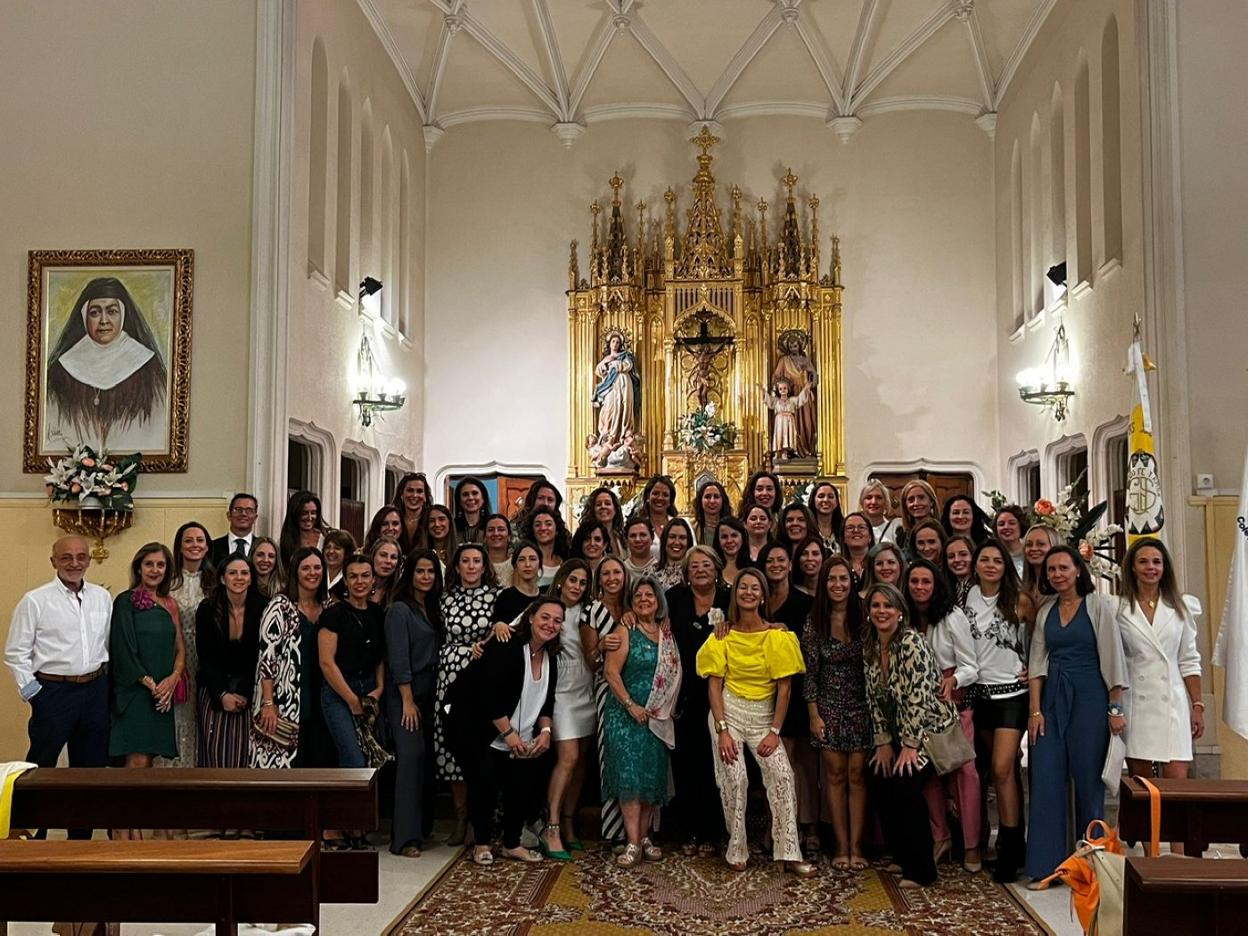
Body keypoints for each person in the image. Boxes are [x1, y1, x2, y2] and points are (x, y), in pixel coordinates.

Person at [697, 568, 814, 876]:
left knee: (783, 776)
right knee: (736, 779)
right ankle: (736, 847)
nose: (748, 592)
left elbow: (785, 689)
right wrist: (722, 730)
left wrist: (775, 732)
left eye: (754, 588)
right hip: (729, 713)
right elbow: (713, 686)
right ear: (736, 595)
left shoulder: (778, 636)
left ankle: (789, 852)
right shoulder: (723, 634)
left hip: (765, 718)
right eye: (742, 588)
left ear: (763, 595)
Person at [1025, 545, 1129, 884]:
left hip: (1090, 699)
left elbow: (1113, 658)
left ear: (1078, 571)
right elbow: (1037, 663)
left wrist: (1114, 708)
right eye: (1051, 570)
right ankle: (1048, 866)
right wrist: (1036, 710)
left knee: (1088, 782)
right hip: (1052, 700)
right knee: (1046, 779)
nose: (1057, 574)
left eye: (1063, 568)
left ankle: (1092, 867)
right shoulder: (1046, 611)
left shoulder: (1098, 606)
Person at [4, 535, 112, 839]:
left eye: (80, 557)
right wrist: (35, 695)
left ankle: (80, 839)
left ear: (89, 561)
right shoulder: (35, 600)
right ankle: (32, 836)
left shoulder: (101, 598)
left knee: (88, 772)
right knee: (41, 767)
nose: (74, 563)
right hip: (53, 692)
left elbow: (105, 645)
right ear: (53, 561)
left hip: (94, 691)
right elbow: (15, 653)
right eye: (66, 557)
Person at [447, 597, 562, 866]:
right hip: (481, 728)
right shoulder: (507, 645)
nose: (550, 624)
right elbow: (488, 696)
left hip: (521, 733)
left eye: (557, 620)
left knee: (519, 786)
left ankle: (512, 844)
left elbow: (547, 701)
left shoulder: (551, 657)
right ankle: (482, 844)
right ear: (531, 617)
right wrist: (509, 735)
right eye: (545, 617)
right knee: (484, 783)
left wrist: (545, 731)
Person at [863, 582, 957, 889]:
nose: (881, 611)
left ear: (900, 613)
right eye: (876, 606)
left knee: (905, 783)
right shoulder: (872, 645)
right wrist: (883, 743)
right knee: (878, 775)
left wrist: (909, 746)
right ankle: (902, 855)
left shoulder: (912, 643)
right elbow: (873, 698)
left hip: (927, 732)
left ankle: (922, 870)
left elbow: (919, 698)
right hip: (896, 734)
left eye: (888, 606)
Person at [1118, 537, 1204, 844]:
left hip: (1173, 704)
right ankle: (1149, 854)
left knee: (1176, 786)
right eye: (1143, 561)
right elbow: (1115, 661)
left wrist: (1197, 705)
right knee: (1144, 788)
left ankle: (1179, 853)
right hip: (1137, 704)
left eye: (1156, 562)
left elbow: (1189, 659)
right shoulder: (1119, 609)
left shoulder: (1181, 607)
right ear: (1132, 567)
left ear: (1164, 567)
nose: (1150, 568)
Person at [905, 559, 981, 872]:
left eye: (926, 582)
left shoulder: (952, 616)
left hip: (952, 704)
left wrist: (954, 680)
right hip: (918, 707)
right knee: (928, 775)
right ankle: (940, 837)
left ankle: (972, 845)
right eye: (914, 582)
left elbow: (971, 667)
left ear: (936, 585)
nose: (920, 587)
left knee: (964, 772)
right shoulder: (904, 616)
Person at [602, 575, 683, 866]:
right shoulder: (625, 629)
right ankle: (632, 842)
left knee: (650, 778)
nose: (644, 600)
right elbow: (611, 673)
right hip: (626, 715)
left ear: (658, 600)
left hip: (656, 717)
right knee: (630, 780)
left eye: (649, 595)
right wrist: (631, 705)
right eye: (638, 597)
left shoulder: (665, 633)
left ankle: (646, 834)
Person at [967, 539, 1035, 882]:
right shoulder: (966, 599)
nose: (991, 565)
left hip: (1013, 693)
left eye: (997, 560)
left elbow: (1039, 641)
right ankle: (1003, 841)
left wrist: (1031, 666)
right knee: (992, 773)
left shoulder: (1020, 601)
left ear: (1006, 565)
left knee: (1003, 767)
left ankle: (1011, 848)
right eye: (985, 559)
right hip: (979, 695)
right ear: (976, 564)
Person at [803, 556, 872, 871]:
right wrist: (814, 715)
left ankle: (857, 846)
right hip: (828, 707)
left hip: (861, 706)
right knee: (834, 775)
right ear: (823, 583)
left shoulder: (865, 617)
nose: (838, 585)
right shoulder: (814, 621)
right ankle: (840, 845)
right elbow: (810, 675)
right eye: (832, 579)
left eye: (844, 579)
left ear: (852, 581)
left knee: (857, 775)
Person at [45, 276, 167, 449]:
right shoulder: (61, 369)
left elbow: (158, 425)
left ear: (123, 315)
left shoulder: (147, 366)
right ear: (84, 316)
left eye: (111, 311)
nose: (103, 320)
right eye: (95, 312)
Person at [666, 546, 730, 855]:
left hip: (722, 693)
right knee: (687, 764)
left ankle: (714, 832)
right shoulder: (674, 599)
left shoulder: (730, 599)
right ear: (686, 573)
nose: (700, 570)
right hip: (683, 692)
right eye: (694, 567)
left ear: (717, 569)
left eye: (706, 564)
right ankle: (689, 831)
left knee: (716, 764)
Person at [435, 543, 499, 845]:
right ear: (457, 567)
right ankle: (460, 818)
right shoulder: (444, 598)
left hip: (482, 676)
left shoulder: (496, 597)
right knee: (452, 748)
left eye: (477, 561)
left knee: (480, 748)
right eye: (466, 561)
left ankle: (480, 820)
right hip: (449, 675)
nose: (472, 566)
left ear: (485, 566)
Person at [759, 543, 818, 853]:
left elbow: (811, 648)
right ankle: (776, 824)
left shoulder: (804, 602)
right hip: (762, 689)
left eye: (781, 559)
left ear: (790, 564)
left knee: (796, 763)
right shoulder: (757, 600)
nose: (776, 564)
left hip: (795, 688)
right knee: (773, 764)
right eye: (770, 560)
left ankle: (803, 827)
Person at [385, 549, 443, 858]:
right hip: (405, 691)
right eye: (420, 571)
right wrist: (407, 699)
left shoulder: (433, 608)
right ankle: (404, 838)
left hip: (433, 690)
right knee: (410, 756)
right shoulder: (399, 610)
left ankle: (422, 830)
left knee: (428, 759)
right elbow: (398, 656)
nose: (425, 577)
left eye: (430, 572)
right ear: (410, 574)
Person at [110, 544, 184, 782]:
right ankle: (125, 816)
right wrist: (149, 684)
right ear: (138, 568)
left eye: (160, 565)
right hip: (134, 690)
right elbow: (121, 648)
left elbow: (180, 648)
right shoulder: (125, 601)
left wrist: (173, 679)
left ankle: (139, 815)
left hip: (163, 691)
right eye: (149, 564)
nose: (155, 570)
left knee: (149, 758)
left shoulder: (170, 603)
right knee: (135, 758)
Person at [250, 546, 328, 770]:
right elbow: (267, 657)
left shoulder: (329, 606)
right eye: (305, 568)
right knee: (281, 769)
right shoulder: (279, 606)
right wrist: (268, 703)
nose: (312, 573)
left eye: (316, 567)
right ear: (295, 572)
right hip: (284, 702)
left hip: (320, 701)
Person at [539, 560, 595, 859]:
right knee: (568, 757)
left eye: (583, 582)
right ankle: (551, 825)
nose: (576, 586)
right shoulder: (547, 606)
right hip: (560, 690)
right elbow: (516, 626)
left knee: (582, 759)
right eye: (572, 580)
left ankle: (570, 823)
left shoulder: (588, 611)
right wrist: (497, 627)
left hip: (586, 687)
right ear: (561, 580)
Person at [318, 554, 386, 775]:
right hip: (339, 691)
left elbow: (380, 657)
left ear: (373, 579)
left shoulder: (378, 613)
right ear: (345, 581)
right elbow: (326, 662)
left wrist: (380, 688)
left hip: (369, 689)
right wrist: (351, 700)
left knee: (375, 758)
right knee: (353, 760)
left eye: (365, 576)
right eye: (353, 577)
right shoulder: (333, 614)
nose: (360, 582)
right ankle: (347, 810)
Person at [195, 556, 263, 768]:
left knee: (245, 754)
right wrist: (223, 694)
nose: (239, 578)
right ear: (223, 579)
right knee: (216, 753)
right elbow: (206, 656)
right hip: (215, 687)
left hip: (251, 688)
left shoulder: (265, 607)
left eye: (244, 573)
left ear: (251, 578)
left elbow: (262, 656)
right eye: (232, 573)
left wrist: (243, 691)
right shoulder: (207, 608)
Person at [582, 556, 628, 845]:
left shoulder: (633, 607)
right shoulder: (592, 610)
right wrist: (600, 645)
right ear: (599, 579)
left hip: (637, 688)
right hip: (606, 689)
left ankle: (640, 826)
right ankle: (614, 828)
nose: (612, 578)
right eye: (606, 573)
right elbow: (589, 660)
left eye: (617, 572)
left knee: (633, 756)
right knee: (609, 752)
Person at [166, 521, 213, 768]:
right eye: (189, 540)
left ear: (207, 547)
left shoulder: (215, 581)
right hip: (175, 652)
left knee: (200, 713)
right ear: (180, 547)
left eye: (200, 540)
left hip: (205, 654)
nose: (195, 545)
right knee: (178, 711)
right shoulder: (168, 581)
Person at [494, 542, 542, 625]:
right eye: (521, 559)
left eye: (532, 559)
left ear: (540, 564)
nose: (527, 564)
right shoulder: (505, 597)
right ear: (515, 565)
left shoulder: (546, 595)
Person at [279, 491, 329, 568]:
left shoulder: (326, 539)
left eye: (313, 513)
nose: (309, 518)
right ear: (294, 514)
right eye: (304, 513)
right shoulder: (283, 542)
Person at [523, 506, 569, 587]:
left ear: (557, 530)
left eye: (548, 524)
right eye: (537, 525)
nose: (543, 528)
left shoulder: (565, 562)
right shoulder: (524, 561)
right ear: (532, 531)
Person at [211, 493, 260, 566]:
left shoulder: (261, 547)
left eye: (249, 510)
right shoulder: (212, 547)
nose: (243, 514)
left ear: (255, 518)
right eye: (238, 509)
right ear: (229, 515)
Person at [637, 476, 679, 558]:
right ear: (647, 497)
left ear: (670, 501)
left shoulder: (681, 525)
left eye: (665, 495)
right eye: (655, 493)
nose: (660, 498)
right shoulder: (638, 527)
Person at [1021, 524, 1061, 605]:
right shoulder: (1022, 587)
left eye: (1041, 544)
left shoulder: (1063, 587)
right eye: (1029, 545)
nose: (1034, 549)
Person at [897, 479, 940, 554]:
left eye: (921, 497)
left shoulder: (944, 530)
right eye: (911, 500)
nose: (916, 503)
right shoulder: (901, 534)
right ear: (905, 505)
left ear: (931, 502)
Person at [393, 472, 431, 553]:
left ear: (425, 496)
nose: (414, 495)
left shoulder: (432, 520)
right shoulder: (391, 519)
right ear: (401, 494)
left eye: (419, 491)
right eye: (410, 490)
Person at [584, 486, 627, 556]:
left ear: (615, 509)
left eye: (607, 503)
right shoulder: (584, 538)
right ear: (592, 510)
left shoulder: (622, 538)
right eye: (598, 504)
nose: (603, 507)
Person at [840, 511, 876, 591]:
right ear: (843, 538)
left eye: (861, 527)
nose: (856, 530)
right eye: (850, 528)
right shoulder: (837, 562)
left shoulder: (879, 562)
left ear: (870, 537)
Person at [654, 518, 694, 590]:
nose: (677, 542)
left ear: (688, 542)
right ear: (664, 540)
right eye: (672, 537)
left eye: (682, 538)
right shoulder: (651, 572)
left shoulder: (694, 572)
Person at [858, 479, 901, 545]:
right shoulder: (855, 530)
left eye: (879, 498)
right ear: (861, 503)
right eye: (869, 497)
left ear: (886, 503)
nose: (874, 502)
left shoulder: (895, 528)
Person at [807, 481, 844, 553]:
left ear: (836, 502)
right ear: (813, 500)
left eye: (830, 496)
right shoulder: (806, 529)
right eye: (821, 496)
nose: (826, 500)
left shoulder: (843, 529)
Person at [453, 477, 492, 544]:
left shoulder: (491, 526)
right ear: (459, 501)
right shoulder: (452, 527)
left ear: (483, 499)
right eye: (465, 494)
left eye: (475, 493)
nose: (470, 498)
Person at [694, 480, 732, 547]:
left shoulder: (734, 528)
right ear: (700, 501)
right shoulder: (693, 529)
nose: (712, 501)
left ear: (723, 500)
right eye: (707, 497)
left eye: (716, 497)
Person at [993, 505, 1029, 574]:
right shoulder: (992, 554)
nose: (1006, 527)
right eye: (1001, 524)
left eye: (1012, 523)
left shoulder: (1029, 552)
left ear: (1021, 525)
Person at [368, 535, 402, 608]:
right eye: (383, 555)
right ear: (373, 556)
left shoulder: (400, 594)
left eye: (393, 557)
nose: (388, 561)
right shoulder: (357, 586)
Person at [323, 528, 357, 599]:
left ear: (347, 553)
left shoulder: (351, 577)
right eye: (327, 547)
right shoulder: (317, 574)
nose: (331, 551)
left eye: (337, 548)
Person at [713, 516, 749, 582]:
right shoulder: (712, 568)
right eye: (724, 537)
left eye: (734, 535)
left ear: (742, 538)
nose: (729, 541)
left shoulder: (752, 567)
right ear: (718, 540)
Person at [943, 534, 975, 606]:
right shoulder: (943, 591)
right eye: (951, 556)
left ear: (973, 556)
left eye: (963, 554)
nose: (957, 560)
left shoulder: (984, 588)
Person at [623, 516, 656, 584]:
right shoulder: (621, 570)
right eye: (633, 536)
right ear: (626, 540)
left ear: (652, 538)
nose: (637, 540)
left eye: (643, 535)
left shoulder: (661, 570)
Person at [483, 513, 514, 585]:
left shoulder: (516, 563)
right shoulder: (479, 564)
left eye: (501, 529)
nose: (496, 533)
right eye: (491, 530)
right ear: (484, 537)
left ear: (509, 536)